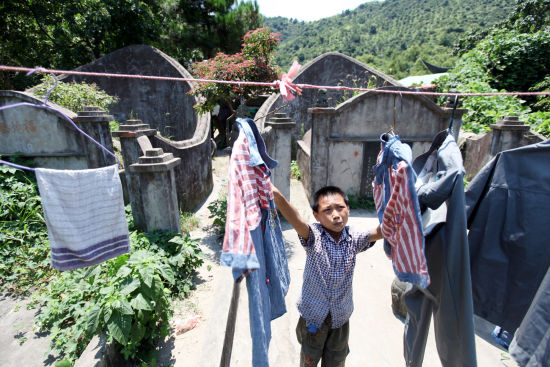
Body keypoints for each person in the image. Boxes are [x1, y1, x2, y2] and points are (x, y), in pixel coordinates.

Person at [271, 184, 383, 366]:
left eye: (340, 208)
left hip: (340, 318)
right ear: (317, 216)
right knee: (309, 360)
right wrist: (277, 196)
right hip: (313, 317)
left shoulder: (353, 238)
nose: (336, 215)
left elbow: (380, 232)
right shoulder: (314, 236)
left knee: (337, 360)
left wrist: (399, 208)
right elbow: (297, 220)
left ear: (348, 209)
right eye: (328, 210)